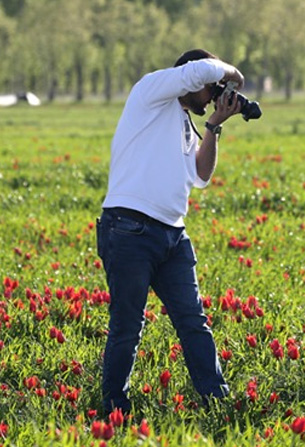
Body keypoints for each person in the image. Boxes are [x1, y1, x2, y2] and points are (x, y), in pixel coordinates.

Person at [96, 49, 244, 415]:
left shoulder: (183, 121)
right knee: (128, 326)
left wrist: (214, 126)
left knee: (194, 321)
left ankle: (216, 399)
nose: (213, 94)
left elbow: (201, 175)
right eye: (211, 88)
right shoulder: (152, 91)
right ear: (190, 79)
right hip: (129, 227)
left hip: (172, 235)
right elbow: (204, 68)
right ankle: (114, 408)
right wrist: (233, 73)